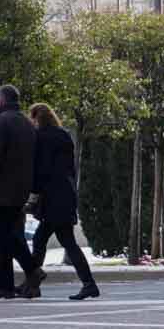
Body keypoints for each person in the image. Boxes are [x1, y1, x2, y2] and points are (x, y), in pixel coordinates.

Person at [0, 84, 44, 300]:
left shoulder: (0, 121)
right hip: (20, 187)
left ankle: (31, 269)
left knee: (2, 235)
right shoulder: (26, 122)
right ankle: (5, 285)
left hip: (1, 187)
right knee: (7, 234)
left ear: (1, 100)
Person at [28, 103, 99, 301]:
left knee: (54, 241)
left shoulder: (41, 138)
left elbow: (40, 170)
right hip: (65, 194)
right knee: (51, 240)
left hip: (52, 197)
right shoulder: (63, 135)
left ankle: (34, 283)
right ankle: (34, 283)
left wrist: (32, 193)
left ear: (36, 119)